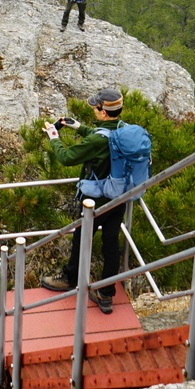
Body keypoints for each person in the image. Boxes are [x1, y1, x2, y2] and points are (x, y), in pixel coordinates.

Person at [39, 88, 130, 314]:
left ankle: (70, 278)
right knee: (111, 243)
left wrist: (54, 136)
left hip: (96, 199)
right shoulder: (125, 129)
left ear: (103, 112)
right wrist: (79, 127)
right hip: (119, 196)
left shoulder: (97, 140)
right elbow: (103, 136)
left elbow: (67, 157)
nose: (93, 110)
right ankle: (106, 294)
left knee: (81, 237)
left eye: (95, 108)